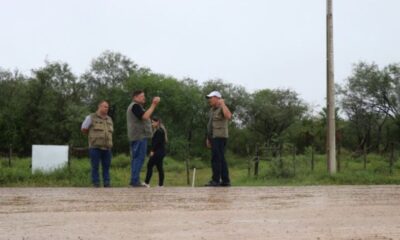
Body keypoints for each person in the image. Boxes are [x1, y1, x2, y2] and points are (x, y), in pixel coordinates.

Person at [127, 90, 160, 187]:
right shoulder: (135, 106)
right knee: (139, 158)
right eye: (142, 96)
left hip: (137, 136)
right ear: (135, 97)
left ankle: (134, 180)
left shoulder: (136, 107)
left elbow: (142, 118)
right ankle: (135, 181)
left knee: (136, 158)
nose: (144, 98)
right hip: (139, 137)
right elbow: (145, 116)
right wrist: (154, 104)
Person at [81, 100, 114, 187]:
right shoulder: (91, 117)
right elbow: (84, 128)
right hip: (95, 147)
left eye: (107, 107)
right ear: (99, 107)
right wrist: (92, 136)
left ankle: (107, 183)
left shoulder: (109, 119)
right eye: (105, 106)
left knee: (106, 167)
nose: (107, 108)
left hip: (107, 147)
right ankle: (96, 183)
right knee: (95, 166)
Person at [205, 91, 232, 187]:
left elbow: (228, 116)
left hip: (220, 137)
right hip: (213, 137)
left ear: (217, 98)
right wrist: (208, 138)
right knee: (220, 158)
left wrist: (223, 104)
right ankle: (225, 181)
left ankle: (215, 180)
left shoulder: (222, 107)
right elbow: (210, 125)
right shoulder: (212, 110)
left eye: (211, 98)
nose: (209, 100)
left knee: (216, 159)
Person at [144, 117, 168, 187]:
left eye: (153, 122)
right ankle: (161, 184)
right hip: (161, 152)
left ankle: (146, 182)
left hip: (157, 152)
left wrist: (152, 151)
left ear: (157, 122)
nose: (152, 124)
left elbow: (156, 143)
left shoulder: (159, 131)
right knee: (159, 167)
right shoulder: (161, 130)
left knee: (149, 165)